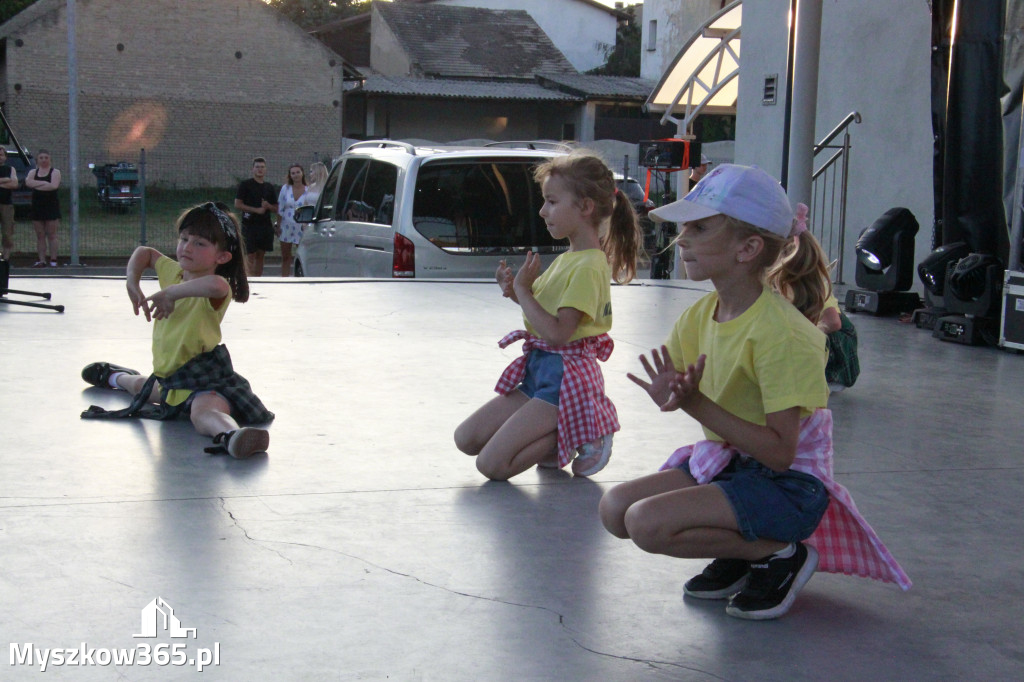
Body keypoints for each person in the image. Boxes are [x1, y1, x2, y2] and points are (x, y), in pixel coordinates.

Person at [598, 164, 910, 621]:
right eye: (684, 226)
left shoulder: (785, 335)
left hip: (787, 486)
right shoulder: (700, 315)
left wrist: (695, 403)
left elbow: (780, 454)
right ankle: (745, 552)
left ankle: (781, 554)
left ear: (747, 248)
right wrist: (670, 394)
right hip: (731, 464)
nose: (681, 238)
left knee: (647, 524)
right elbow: (685, 392)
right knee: (614, 509)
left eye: (699, 227)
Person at [454, 151, 643, 481]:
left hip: (564, 381)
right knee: (466, 439)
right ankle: (563, 433)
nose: (543, 211)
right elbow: (543, 316)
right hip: (539, 372)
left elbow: (558, 334)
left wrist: (525, 293)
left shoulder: (588, 266)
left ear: (584, 207)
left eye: (552, 202)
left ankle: (580, 432)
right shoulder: (571, 257)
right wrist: (516, 291)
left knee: (491, 465)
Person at [80, 202, 274, 459]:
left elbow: (216, 285)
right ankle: (115, 376)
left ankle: (232, 436)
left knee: (203, 413)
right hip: (174, 379)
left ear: (223, 257)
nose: (187, 247)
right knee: (140, 386)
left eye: (200, 243)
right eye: (184, 239)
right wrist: (132, 281)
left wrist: (172, 292)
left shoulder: (217, 287)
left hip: (206, 379)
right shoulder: (174, 272)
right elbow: (144, 253)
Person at [234, 157, 277, 276]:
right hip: (249, 225)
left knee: (260, 255)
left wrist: (268, 206)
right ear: (252, 169)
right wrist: (256, 210)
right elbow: (238, 204)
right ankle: (248, 280)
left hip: (265, 226)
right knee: (250, 255)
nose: (260, 170)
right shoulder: (245, 185)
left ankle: (258, 281)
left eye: (262, 167)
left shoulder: (269, 187)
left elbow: (276, 208)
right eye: (257, 167)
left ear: (266, 169)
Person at [24, 149, 61, 267]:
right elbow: (28, 183)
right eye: (41, 158)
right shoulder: (32, 172)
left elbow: (53, 186)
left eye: (46, 157)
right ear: (37, 160)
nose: (44, 160)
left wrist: (37, 184)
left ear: (50, 159)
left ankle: (53, 260)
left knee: (52, 234)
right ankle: (41, 260)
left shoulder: (55, 172)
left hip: (51, 206)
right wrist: (45, 184)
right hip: (37, 207)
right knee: (40, 235)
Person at [276, 163, 308, 277]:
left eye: (298, 172)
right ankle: (284, 279)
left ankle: (300, 278)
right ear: (290, 175)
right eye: (293, 173)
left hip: (301, 226)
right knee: (286, 256)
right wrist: (278, 225)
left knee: (301, 255)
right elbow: (280, 207)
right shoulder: (286, 188)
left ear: (302, 173)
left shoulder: (308, 190)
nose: (295, 175)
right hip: (286, 225)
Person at [0, 148, 17, 262]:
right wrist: (6, 180)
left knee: (7, 232)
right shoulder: (7, 176)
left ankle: (6, 259)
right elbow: (10, 182)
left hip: (6, 205)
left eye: (1, 155)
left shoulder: (10, 169)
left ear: (5, 157)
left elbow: (14, 184)